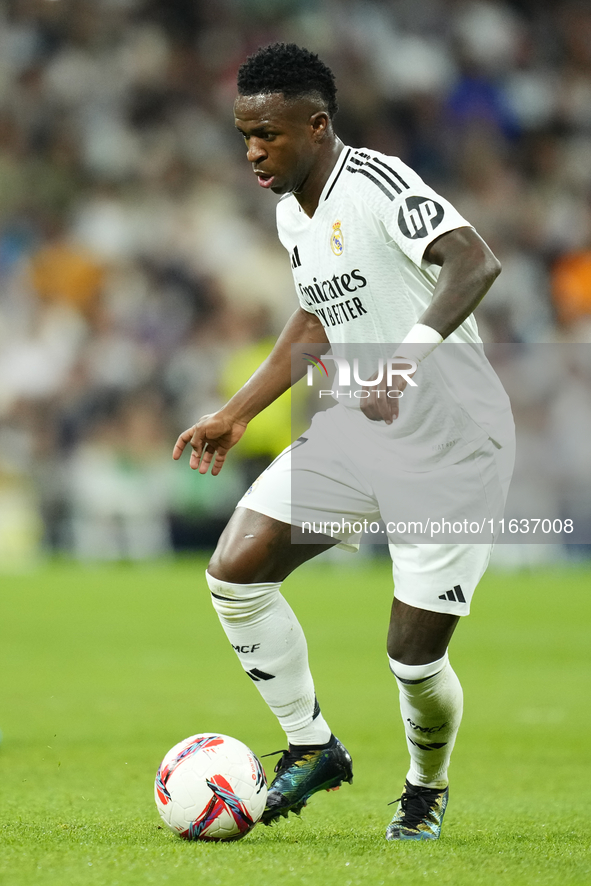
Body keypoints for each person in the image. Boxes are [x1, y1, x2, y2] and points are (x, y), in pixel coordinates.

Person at [173, 43, 514, 841]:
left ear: (316, 125)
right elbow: (319, 314)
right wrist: (239, 412)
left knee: (413, 662)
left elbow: (473, 260)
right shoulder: (292, 207)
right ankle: (312, 744)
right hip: (363, 430)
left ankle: (424, 788)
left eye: (268, 134)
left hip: (451, 447)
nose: (252, 151)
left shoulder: (378, 184)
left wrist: (401, 363)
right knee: (234, 571)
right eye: (243, 135)